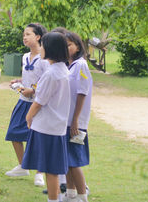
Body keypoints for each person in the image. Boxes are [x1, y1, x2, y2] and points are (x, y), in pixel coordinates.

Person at [22, 32, 70, 202]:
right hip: (57, 125)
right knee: (53, 169)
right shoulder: (63, 70)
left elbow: (39, 101)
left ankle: (53, 199)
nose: (40, 48)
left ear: (50, 48)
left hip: (46, 127)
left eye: (42, 45)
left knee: (50, 169)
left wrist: (28, 117)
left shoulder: (51, 74)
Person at [4, 23, 49, 187]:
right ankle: (23, 166)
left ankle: (39, 173)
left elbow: (46, 80)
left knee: (36, 137)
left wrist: (33, 90)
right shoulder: (24, 56)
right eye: (24, 34)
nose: (25, 37)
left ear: (38, 37)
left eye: (28, 34)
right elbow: (29, 77)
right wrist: (19, 82)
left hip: (38, 103)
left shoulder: (44, 59)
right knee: (14, 132)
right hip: (23, 101)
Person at [63, 32, 92, 202]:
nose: (67, 49)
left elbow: (82, 93)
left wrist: (75, 120)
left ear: (78, 47)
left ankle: (82, 196)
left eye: (69, 45)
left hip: (75, 122)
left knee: (74, 160)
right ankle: (70, 193)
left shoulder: (81, 66)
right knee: (66, 159)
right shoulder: (69, 66)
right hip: (65, 120)